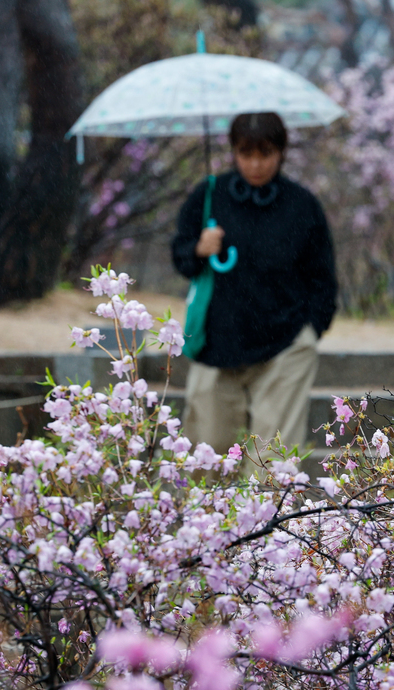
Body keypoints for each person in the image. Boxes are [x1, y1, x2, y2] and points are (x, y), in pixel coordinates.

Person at [171, 112, 337, 465]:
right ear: (234, 151)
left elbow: (322, 277)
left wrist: (311, 329)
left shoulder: (302, 205)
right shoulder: (208, 196)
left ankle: (271, 523)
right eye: (247, 154)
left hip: (285, 346)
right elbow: (181, 258)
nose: (256, 164)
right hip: (216, 343)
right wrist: (199, 249)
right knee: (208, 457)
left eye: (266, 153)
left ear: (281, 152)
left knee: (271, 462)